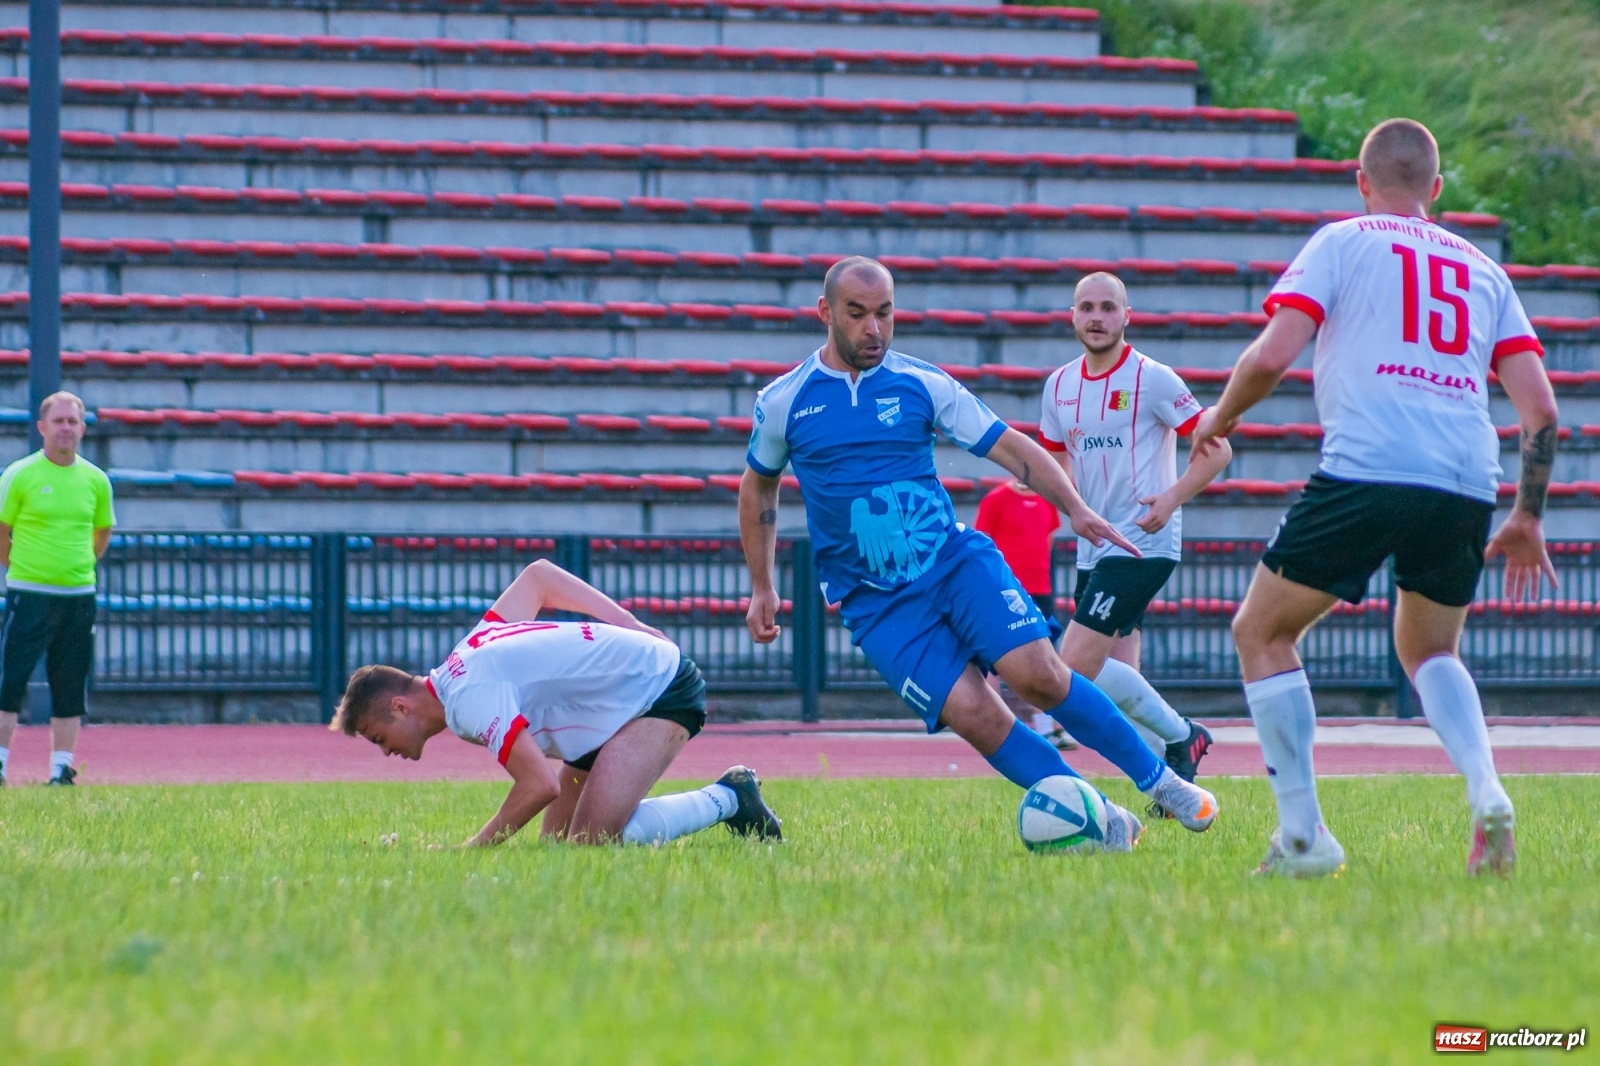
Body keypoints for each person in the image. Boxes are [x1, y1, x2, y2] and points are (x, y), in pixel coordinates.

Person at [738, 256, 1220, 850]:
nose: (874, 329)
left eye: (885, 313)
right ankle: (1097, 815)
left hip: (954, 564)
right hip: (875, 603)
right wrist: (762, 584)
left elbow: (1009, 447)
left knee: (1042, 676)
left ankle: (1165, 783)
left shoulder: (922, 382)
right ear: (825, 312)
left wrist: (1074, 507)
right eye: (857, 314)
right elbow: (758, 485)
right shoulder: (784, 400)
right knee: (979, 717)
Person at [1189, 118, 1557, 878]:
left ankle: (1303, 838)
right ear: (1437, 189)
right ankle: (1487, 787)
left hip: (1370, 465)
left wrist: (1219, 418)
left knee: (1261, 630)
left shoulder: (1343, 240)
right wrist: (1526, 514)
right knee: (1431, 651)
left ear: (1362, 183)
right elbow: (1541, 410)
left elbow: (1273, 356)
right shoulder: (1485, 271)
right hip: (1466, 477)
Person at [332, 559, 782, 847]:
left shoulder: (466, 696)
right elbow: (539, 577)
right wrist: (627, 622)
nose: (385, 750)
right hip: (607, 711)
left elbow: (539, 785)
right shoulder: (464, 657)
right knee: (557, 849)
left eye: (378, 737)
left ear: (400, 707)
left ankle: (731, 797)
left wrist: (470, 850)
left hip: (660, 687)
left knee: (590, 843)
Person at [1039, 272, 1234, 814]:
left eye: (1108, 307)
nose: (1096, 317)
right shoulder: (1059, 386)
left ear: (1127, 316)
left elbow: (1218, 450)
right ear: (1072, 316)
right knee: (1117, 683)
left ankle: (1184, 734)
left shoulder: (1154, 378)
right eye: (1086, 307)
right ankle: (1173, 790)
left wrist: (1170, 499)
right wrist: (1072, 508)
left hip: (1143, 544)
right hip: (1094, 548)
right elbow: (1055, 458)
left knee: (1071, 668)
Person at [0, 392, 115, 787]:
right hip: (30, 594)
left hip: (78, 597)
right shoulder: (20, 475)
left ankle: (61, 770)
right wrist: (20, 568)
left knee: (69, 687)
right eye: (59, 421)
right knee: (9, 681)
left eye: (72, 421)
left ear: (82, 428)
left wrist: (77, 567)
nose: (66, 428)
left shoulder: (96, 480)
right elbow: (1, 529)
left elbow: (102, 533)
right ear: (42, 427)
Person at [972, 478, 1075, 749]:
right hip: (1006, 591)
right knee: (993, 658)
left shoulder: (1045, 502)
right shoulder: (995, 500)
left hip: (1040, 590)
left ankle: (1046, 729)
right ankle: (993, 727)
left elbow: (1047, 542)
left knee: (1044, 659)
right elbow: (982, 544)